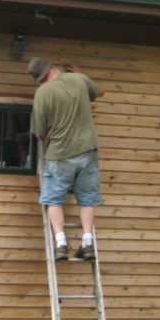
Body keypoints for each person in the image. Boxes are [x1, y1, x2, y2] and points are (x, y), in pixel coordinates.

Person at [28, 57, 105, 261]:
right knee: (88, 199)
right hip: (87, 150)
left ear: (40, 78)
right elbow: (100, 92)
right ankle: (87, 243)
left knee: (54, 201)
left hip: (60, 154)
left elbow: (41, 132)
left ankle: (61, 244)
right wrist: (82, 74)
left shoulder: (42, 93)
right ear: (53, 68)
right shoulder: (79, 79)